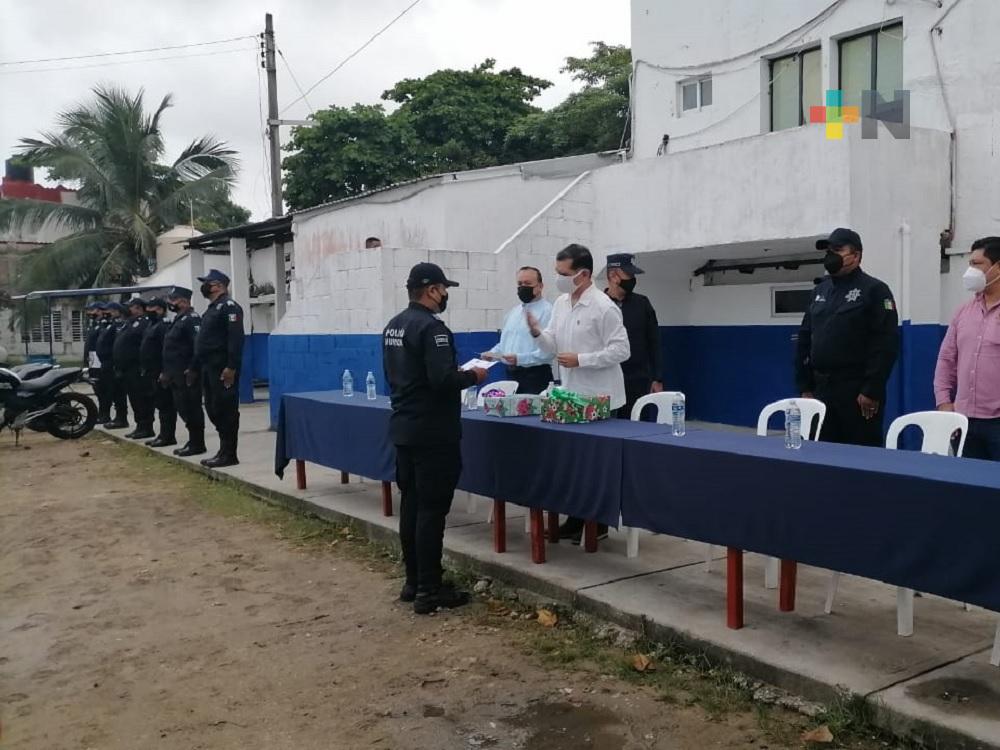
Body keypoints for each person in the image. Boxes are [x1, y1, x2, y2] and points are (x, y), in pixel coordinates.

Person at [382, 262, 488, 614]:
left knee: (411, 506)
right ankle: (430, 589)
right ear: (431, 290)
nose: (445, 296)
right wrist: (473, 375)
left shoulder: (393, 326)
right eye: (444, 289)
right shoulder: (433, 329)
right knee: (431, 510)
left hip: (405, 427)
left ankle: (413, 582)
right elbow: (441, 380)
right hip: (433, 432)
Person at [526, 243, 630, 542]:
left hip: (600, 398)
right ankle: (576, 519)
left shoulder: (604, 306)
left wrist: (582, 360)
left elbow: (622, 350)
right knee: (575, 463)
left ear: (583, 274)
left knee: (597, 465)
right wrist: (537, 333)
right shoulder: (561, 303)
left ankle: (598, 524)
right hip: (570, 396)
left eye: (563, 273)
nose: (558, 278)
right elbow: (554, 345)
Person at [795, 228, 899, 447]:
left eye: (838, 249)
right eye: (828, 250)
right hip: (821, 390)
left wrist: (871, 390)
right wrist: (805, 386)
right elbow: (805, 338)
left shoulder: (875, 290)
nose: (830, 255)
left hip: (856, 392)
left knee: (860, 456)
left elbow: (885, 343)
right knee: (820, 452)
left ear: (856, 255)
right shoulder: (820, 291)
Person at [933, 237, 1000, 461]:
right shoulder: (964, 312)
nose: (970, 271)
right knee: (970, 490)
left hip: (997, 424)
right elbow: (946, 360)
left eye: (977, 264)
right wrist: (943, 402)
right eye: (969, 263)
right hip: (963, 421)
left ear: (997, 267)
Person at [193, 269, 245, 468]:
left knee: (226, 409)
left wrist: (231, 367)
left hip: (223, 368)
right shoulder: (212, 308)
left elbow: (235, 340)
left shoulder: (229, 307)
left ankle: (229, 453)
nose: (205, 286)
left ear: (220, 286)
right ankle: (223, 450)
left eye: (208, 283)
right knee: (213, 408)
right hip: (209, 368)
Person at [605, 253, 665, 420]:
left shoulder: (642, 304)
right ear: (613, 276)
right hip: (605, 380)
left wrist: (657, 377)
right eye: (628, 275)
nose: (632, 279)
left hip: (637, 380)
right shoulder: (599, 305)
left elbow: (654, 342)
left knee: (638, 427)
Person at [480, 266, 554, 394]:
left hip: (535, 377)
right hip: (510, 375)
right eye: (520, 284)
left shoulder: (549, 312)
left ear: (540, 286)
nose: (523, 287)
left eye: (528, 283)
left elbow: (549, 351)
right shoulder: (513, 312)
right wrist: (492, 354)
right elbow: (505, 343)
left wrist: (520, 358)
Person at [162, 286, 206, 457]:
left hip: (187, 373)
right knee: (182, 407)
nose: (170, 303)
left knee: (191, 407)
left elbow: (198, 345)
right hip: (175, 373)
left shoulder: (191, 319)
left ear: (183, 301)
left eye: (173, 300)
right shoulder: (178, 319)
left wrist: (193, 368)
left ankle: (197, 443)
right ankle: (193, 440)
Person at [139, 297, 177, 447]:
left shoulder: (163, 325)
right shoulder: (152, 325)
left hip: (160, 371)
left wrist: (165, 371)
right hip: (151, 371)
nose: (148, 311)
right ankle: (163, 434)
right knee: (159, 404)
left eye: (152, 308)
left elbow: (166, 350)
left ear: (160, 309)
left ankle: (167, 436)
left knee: (166, 404)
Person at [115, 298, 154, 439]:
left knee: (142, 399)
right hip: (127, 369)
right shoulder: (129, 323)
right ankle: (140, 426)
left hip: (137, 368)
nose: (127, 309)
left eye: (130, 307)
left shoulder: (144, 322)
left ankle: (146, 427)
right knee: (134, 399)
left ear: (138, 308)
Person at [98, 303, 128, 428]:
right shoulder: (111, 324)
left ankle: (121, 418)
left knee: (118, 393)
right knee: (113, 392)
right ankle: (118, 418)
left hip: (113, 363)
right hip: (107, 363)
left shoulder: (120, 325)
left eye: (110, 310)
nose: (107, 312)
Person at [83, 302, 111, 421]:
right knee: (96, 388)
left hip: (99, 359)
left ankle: (105, 414)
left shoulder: (104, 325)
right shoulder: (94, 325)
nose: (90, 313)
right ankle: (101, 413)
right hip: (92, 359)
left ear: (100, 311)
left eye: (93, 310)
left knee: (102, 388)